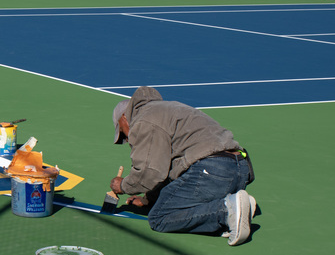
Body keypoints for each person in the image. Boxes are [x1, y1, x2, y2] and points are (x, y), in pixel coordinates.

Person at [109, 86, 256, 245]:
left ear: (124, 118)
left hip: (210, 169)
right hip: (238, 169)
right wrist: (148, 200)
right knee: (168, 202)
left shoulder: (144, 120)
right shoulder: (168, 109)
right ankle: (238, 203)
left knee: (160, 218)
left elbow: (149, 173)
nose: (126, 139)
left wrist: (123, 186)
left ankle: (226, 211)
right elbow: (166, 171)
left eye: (122, 133)